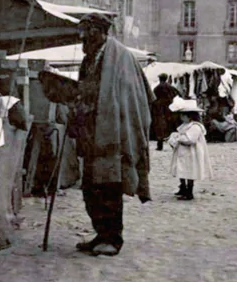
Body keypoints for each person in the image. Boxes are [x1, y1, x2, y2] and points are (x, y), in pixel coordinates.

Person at [70, 13, 154, 256]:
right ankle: (100, 233)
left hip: (114, 132)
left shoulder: (120, 58)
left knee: (109, 187)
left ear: (99, 31)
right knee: (90, 188)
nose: (83, 38)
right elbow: (86, 88)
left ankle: (113, 238)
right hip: (91, 133)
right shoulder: (90, 58)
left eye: (87, 32)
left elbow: (130, 95)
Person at [167, 97, 213, 200]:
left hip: (191, 153)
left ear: (189, 116)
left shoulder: (195, 127)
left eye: (183, 115)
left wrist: (179, 138)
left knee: (190, 172)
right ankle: (182, 187)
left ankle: (189, 191)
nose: (181, 117)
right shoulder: (184, 125)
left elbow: (190, 139)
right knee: (181, 171)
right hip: (183, 153)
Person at [152, 73, 181, 151]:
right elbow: (178, 94)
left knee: (160, 127)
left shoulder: (157, 88)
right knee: (171, 126)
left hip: (159, 109)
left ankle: (160, 145)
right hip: (169, 108)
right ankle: (173, 144)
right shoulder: (171, 87)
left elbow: (152, 98)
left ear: (160, 79)